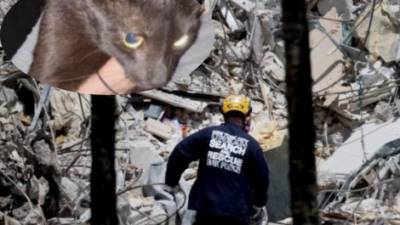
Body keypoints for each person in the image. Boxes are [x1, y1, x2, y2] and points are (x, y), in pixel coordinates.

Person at [165, 95, 270, 225]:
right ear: (246, 116)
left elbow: (180, 153)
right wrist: (258, 203)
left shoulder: (207, 134)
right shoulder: (253, 147)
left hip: (203, 210)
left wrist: (171, 182)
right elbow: (262, 178)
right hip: (236, 215)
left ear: (224, 113)